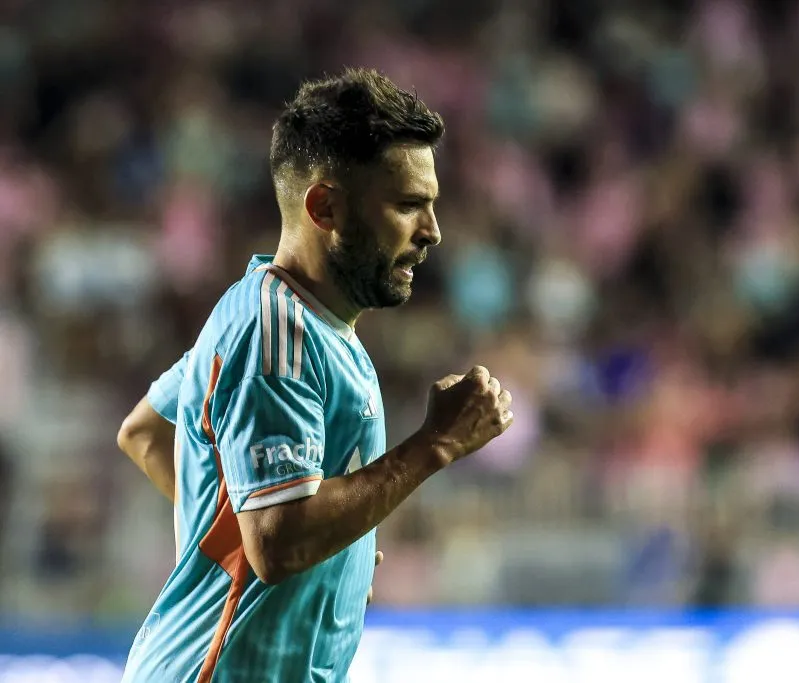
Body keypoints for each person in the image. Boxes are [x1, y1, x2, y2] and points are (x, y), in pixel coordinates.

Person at [118, 67, 514, 683]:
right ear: (324, 206)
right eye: (409, 205)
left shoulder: (285, 316)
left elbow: (144, 431)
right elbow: (277, 545)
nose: (432, 232)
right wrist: (435, 444)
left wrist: (330, 545)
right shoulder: (278, 333)